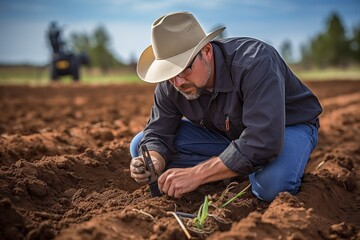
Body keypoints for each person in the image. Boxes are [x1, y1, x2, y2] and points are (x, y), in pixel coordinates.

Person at [129, 12, 322, 202]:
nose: (178, 81)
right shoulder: (171, 83)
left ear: (206, 51)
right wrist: (154, 160)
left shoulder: (256, 62)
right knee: (140, 145)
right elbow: (157, 133)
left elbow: (263, 139)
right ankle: (236, 167)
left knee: (272, 187)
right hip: (229, 136)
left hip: (285, 128)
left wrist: (197, 174)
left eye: (184, 68)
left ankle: (246, 168)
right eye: (170, 72)